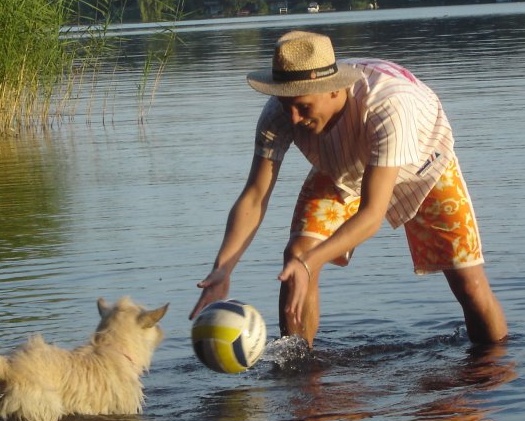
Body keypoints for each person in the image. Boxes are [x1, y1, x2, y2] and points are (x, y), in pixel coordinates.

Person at [189, 30, 507, 346]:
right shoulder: (281, 112)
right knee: (296, 256)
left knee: (468, 283)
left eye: (302, 107)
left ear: (332, 90)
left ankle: (493, 366)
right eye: (286, 105)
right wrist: (223, 268)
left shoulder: (389, 107)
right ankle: (300, 374)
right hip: (341, 167)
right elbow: (255, 196)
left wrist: (309, 263)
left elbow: (371, 215)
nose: (294, 118)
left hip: (424, 166)